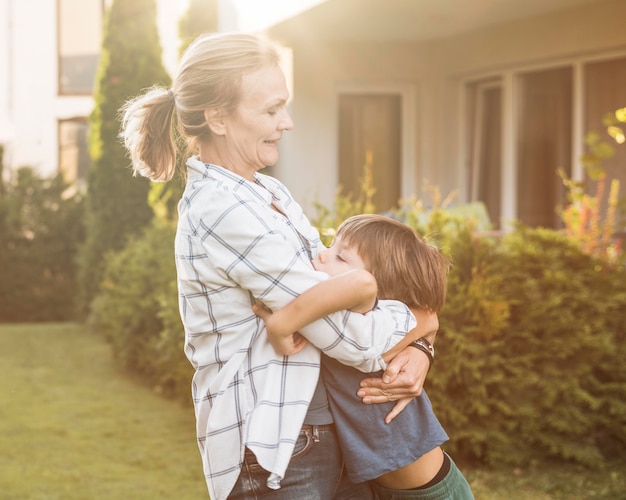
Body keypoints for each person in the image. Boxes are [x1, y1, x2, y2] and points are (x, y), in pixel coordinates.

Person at [119, 32, 436, 500]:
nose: (286, 122)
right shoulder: (224, 212)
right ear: (217, 118)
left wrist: (421, 344)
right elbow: (350, 336)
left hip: (319, 429)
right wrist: (423, 320)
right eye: (270, 110)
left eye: (283, 107)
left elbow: (339, 293)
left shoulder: (269, 194)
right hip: (277, 450)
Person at [254, 214, 474, 499]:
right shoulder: (339, 323)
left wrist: (281, 322)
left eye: (340, 257)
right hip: (382, 488)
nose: (322, 255)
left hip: (430, 492)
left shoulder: (369, 328)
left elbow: (362, 285)